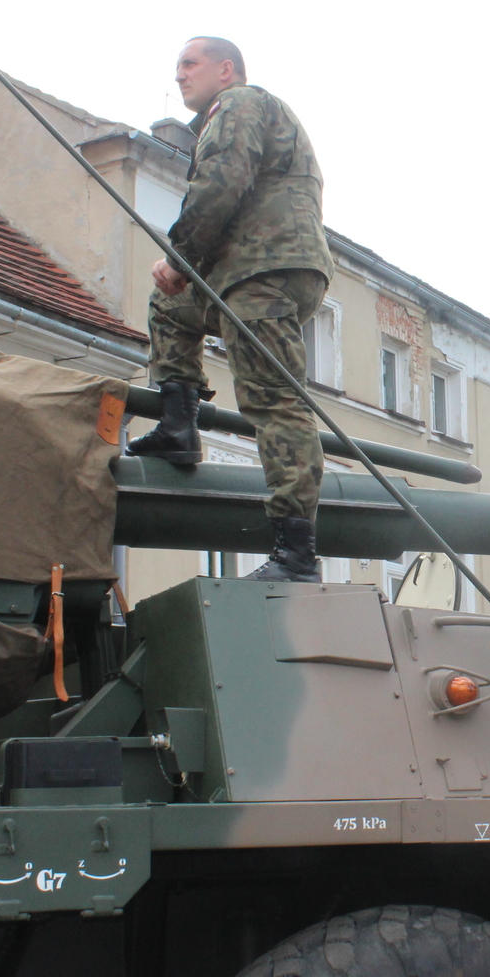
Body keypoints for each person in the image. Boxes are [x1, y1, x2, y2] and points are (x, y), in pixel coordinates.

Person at [127, 36, 334, 582]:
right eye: (176, 67)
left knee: (275, 402)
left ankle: (296, 553)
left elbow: (223, 179)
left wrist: (181, 255)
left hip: (262, 270)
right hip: (248, 269)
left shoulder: (240, 103)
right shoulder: (245, 111)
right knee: (170, 308)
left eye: (189, 64)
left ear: (226, 70)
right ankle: (178, 425)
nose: (179, 76)